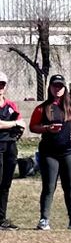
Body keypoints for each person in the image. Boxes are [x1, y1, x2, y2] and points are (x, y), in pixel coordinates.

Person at [29, 73, 71, 231]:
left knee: (70, 186)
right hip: (49, 153)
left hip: (69, 152)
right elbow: (33, 126)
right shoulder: (43, 108)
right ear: (50, 88)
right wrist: (47, 128)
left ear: (65, 88)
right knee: (49, 186)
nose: (58, 89)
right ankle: (44, 219)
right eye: (55, 86)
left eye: (61, 86)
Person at [0, 70, 22, 230]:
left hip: (10, 146)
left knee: (6, 183)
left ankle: (1, 219)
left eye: (2, 84)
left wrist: (19, 127)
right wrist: (14, 124)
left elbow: (21, 122)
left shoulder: (10, 105)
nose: (0, 87)